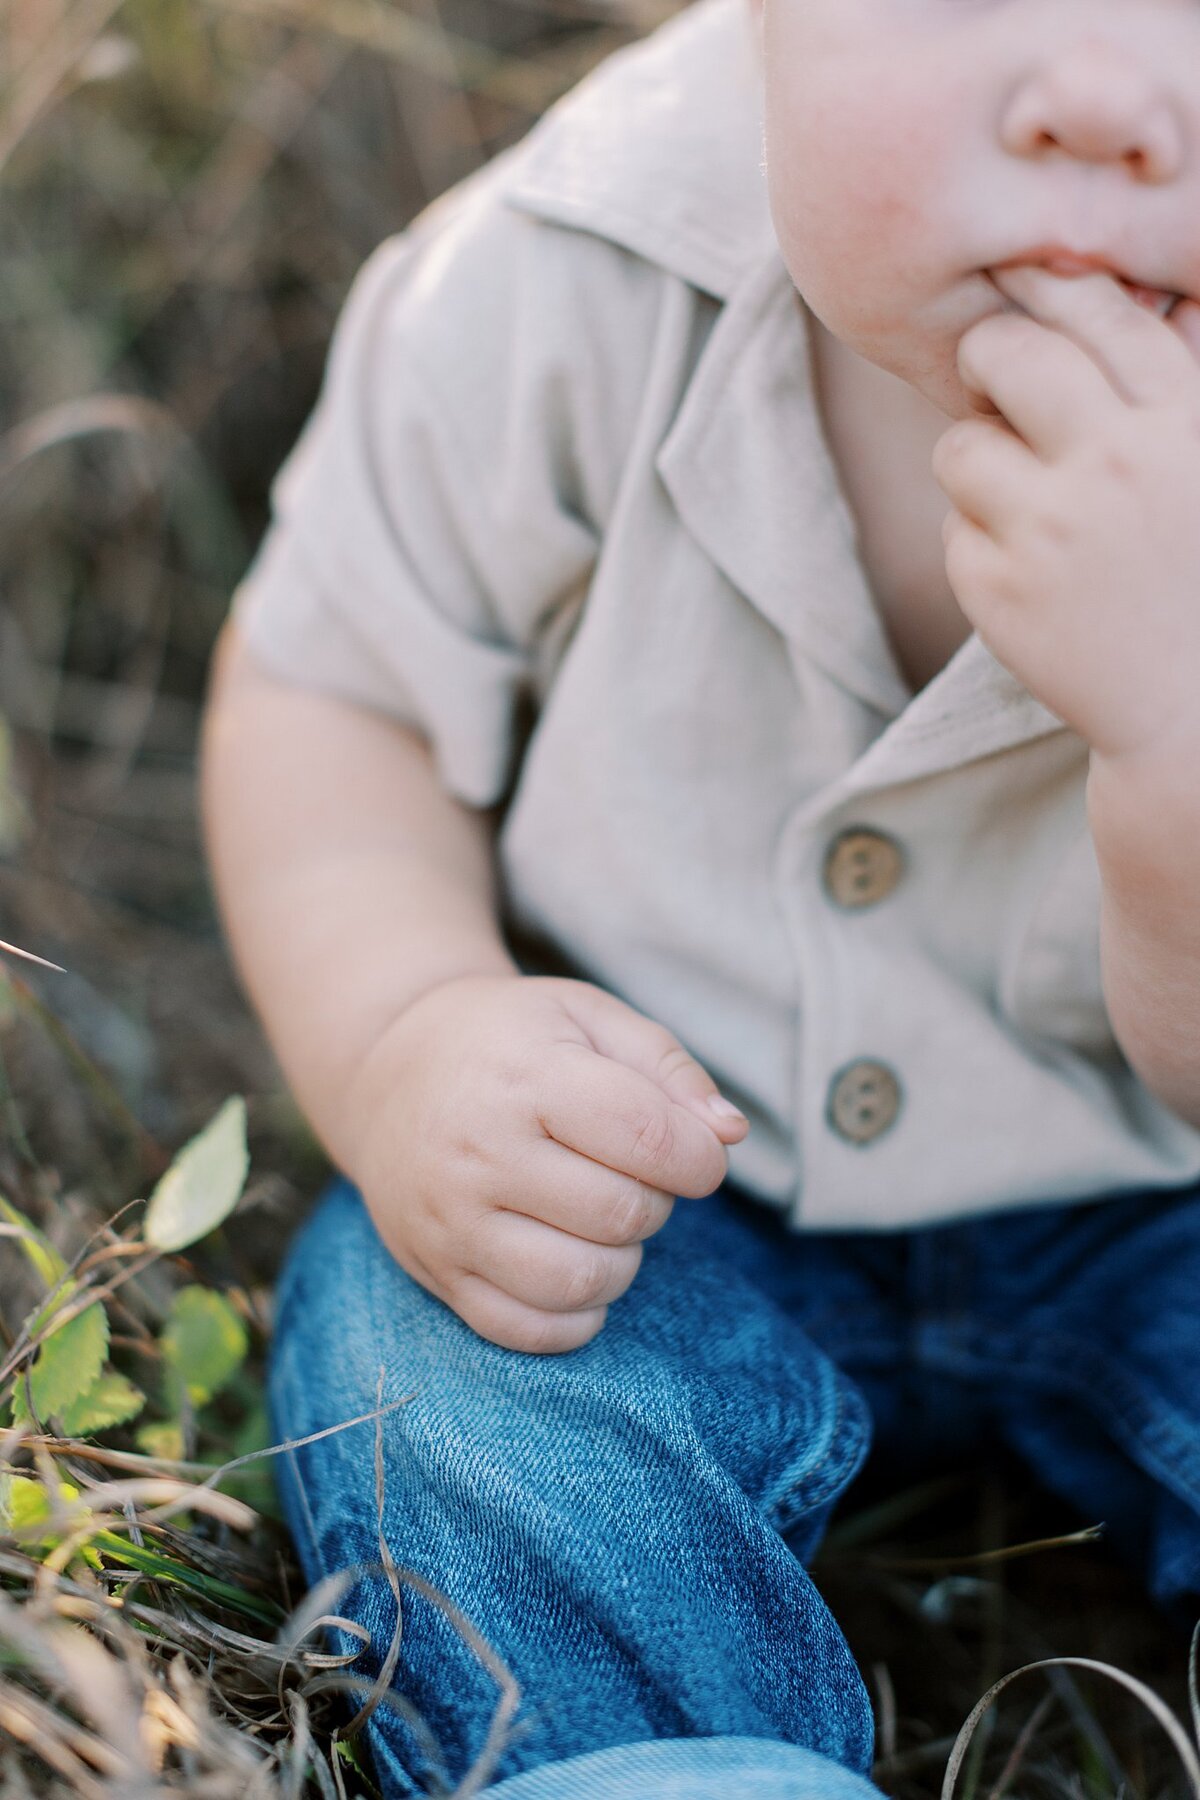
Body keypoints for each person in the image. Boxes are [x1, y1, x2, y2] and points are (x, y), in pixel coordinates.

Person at [198, 0, 1200, 1792]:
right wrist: (412, 1026)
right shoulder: (575, 263)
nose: (1105, 104)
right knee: (444, 1381)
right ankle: (661, 1760)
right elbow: (331, 692)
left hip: (1169, 1188)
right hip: (652, 1160)